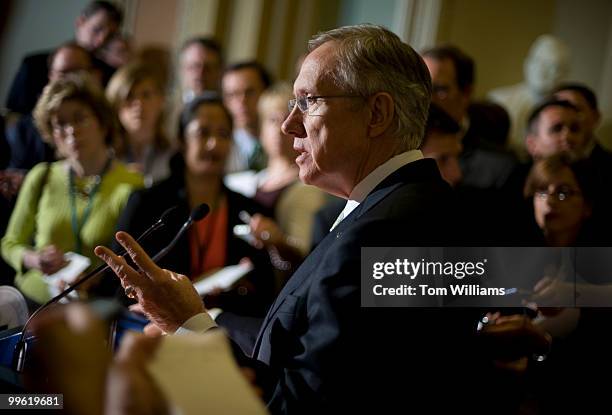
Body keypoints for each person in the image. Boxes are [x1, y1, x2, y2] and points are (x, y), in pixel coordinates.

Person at [94, 24, 515, 413]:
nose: (288, 125)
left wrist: (188, 325)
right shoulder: (414, 205)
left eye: (309, 102)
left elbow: (299, 404)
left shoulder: (381, 232)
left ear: (377, 114)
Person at [114, 94, 274, 317]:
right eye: (203, 133)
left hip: (222, 331)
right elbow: (118, 280)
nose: (214, 144)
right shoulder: (148, 204)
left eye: (223, 134)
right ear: (181, 140)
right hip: (157, 327)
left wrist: (243, 287)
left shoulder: (249, 209)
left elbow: (267, 291)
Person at [1, 75, 143, 306]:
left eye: (80, 118)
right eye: (60, 124)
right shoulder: (42, 175)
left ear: (102, 121)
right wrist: (33, 258)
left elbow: (134, 260)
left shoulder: (131, 184)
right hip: (33, 303)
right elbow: (10, 243)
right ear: (51, 134)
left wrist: (93, 279)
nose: (71, 131)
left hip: (92, 308)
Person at [225, 82, 327, 267]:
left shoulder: (307, 187)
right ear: (261, 129)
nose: (281, 128)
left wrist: (278, 242)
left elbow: (304, 255)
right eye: (272, 120)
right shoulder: (250, 180)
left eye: (286, 118)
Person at [422, 45, 517, 190]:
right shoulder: (394, 142)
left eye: (439, 89)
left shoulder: (498, 167)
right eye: (421, 87)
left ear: (466, 93)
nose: (426, 98)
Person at [5, 1, 122, 115]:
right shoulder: (33, 66)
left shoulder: (111, 76)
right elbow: (13, 117)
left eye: (110, 35)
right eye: (97, 29)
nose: (101, 40)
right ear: (80, 22)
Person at [489, 35, 570, 161]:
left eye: (552, 66)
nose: (542, 70)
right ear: (527, 63)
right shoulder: (499, 100)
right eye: (538, 61)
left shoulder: (566, 113)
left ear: (564, 74)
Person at [106, 61, 174, 186]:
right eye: (129, 97)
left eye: (146, 95)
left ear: (161, 100)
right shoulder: (105, 156)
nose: (138, 104)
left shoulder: (174, 154)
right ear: (116, 105)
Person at [222, 61, 271, 172]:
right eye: (232, 95)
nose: (241, 102)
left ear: (267, 93)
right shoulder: (220, 148)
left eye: (249, 92)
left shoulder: (291, 142)